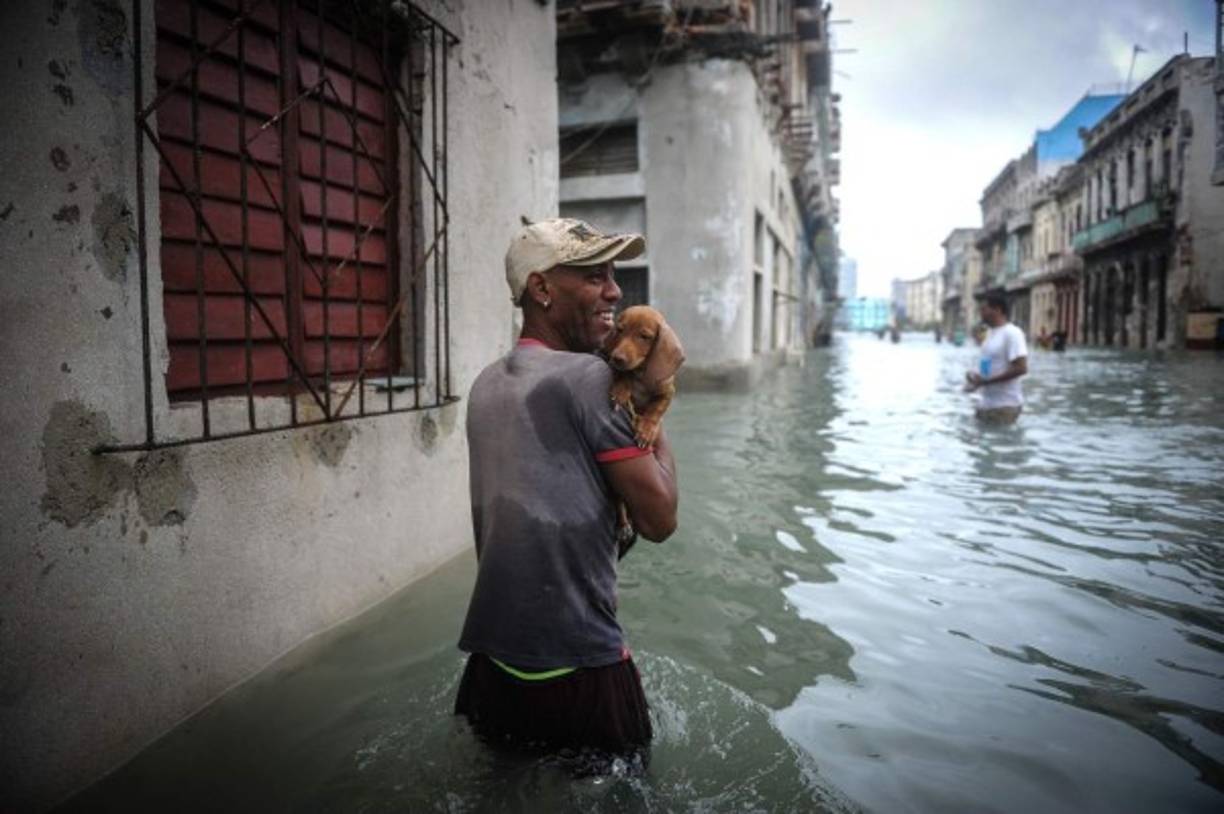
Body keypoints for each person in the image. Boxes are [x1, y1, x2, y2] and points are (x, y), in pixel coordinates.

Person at [454, 217, 679, 756]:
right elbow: (660, 520)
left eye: (613, 275)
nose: (614, 290)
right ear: (541, 288)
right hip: (581, 669)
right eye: (594, 275)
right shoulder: (592, 379)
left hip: (492, 665)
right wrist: (655, 411)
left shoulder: (485, 383)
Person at [965, 294, 1028, 424]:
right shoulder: (990, 333)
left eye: (984, 309)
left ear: (997, 310)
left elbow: (1021, 368)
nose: (981, 313)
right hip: (985, 404)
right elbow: (989, 367)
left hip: (1004, 407)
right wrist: (975, 379)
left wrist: (986, 381)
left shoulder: (1012, 333)